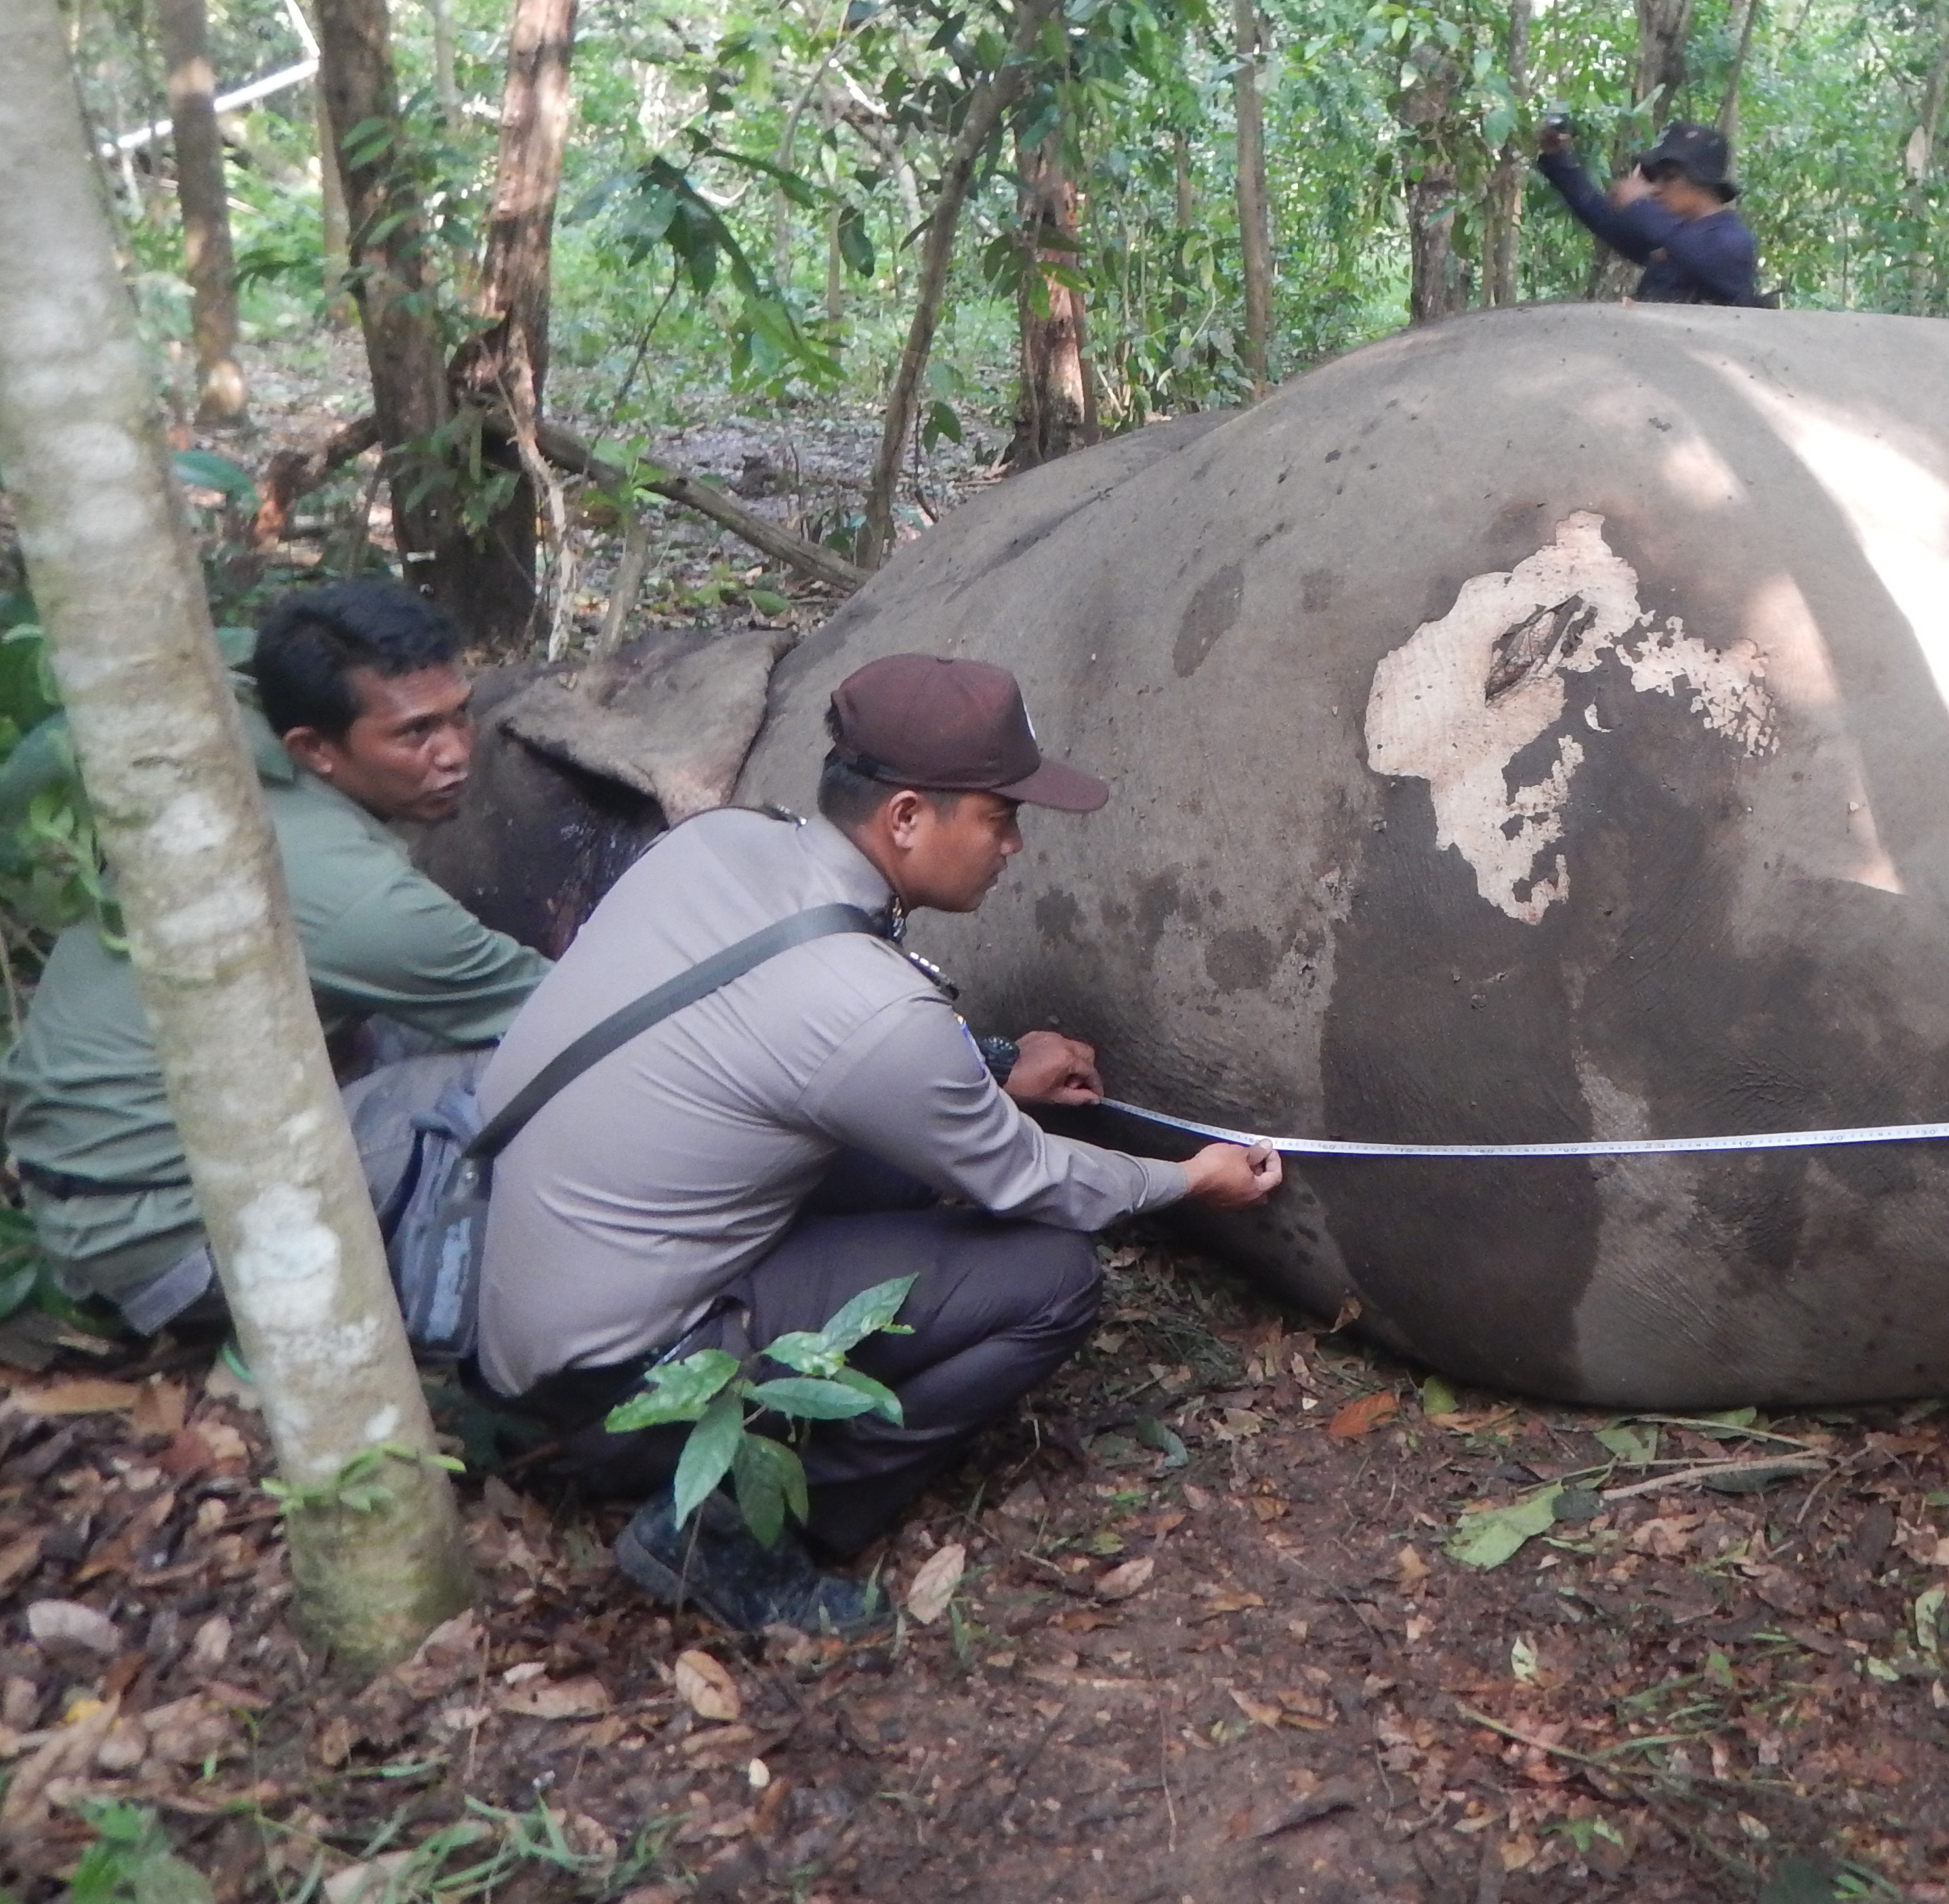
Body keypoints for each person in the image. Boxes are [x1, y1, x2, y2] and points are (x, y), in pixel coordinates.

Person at [474, 654, 1282, 1635]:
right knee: (1049, 1280)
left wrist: (989, 1064)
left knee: (908, 1162)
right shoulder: (873, 1007)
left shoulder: (726, 841)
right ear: (906, 818)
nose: (1014, 845)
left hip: (520, 1291)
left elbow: (790, 1041)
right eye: (998, 817)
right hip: (625, 1384)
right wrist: (1189, 1178)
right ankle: (734, 1531)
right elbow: (1027, 1178)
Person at [0, 582, 548, 1335]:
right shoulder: (355, 900)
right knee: (538, 1078)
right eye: (415, 733)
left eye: (461, 713)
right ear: (314, 749)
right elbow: (574, 1023)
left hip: (92, 1208)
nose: (456, 751)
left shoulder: (221, 767)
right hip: (174, 1242)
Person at [1532, 117, 1767, 305]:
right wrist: (1558, 158)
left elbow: (1692, 249)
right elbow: (1601, 216)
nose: (1657, 189)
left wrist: (1637, 206)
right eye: (1655, 179)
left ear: (1705, 182)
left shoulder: (1732, 241)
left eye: (1670, 178)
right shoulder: (1674, 237)